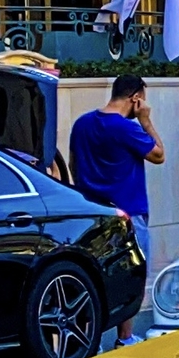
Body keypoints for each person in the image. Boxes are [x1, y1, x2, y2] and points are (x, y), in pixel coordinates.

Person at [71, 74, 165, 341]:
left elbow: (73, 164)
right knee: (132, 277)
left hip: (93, 213)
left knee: (94, 277)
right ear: (135, 98)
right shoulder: (127, 128)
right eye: (143, 100)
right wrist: (146, 121)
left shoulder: (82, 124)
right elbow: (159, 154)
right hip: (129, 214)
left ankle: (90, 339)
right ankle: (125, 338)